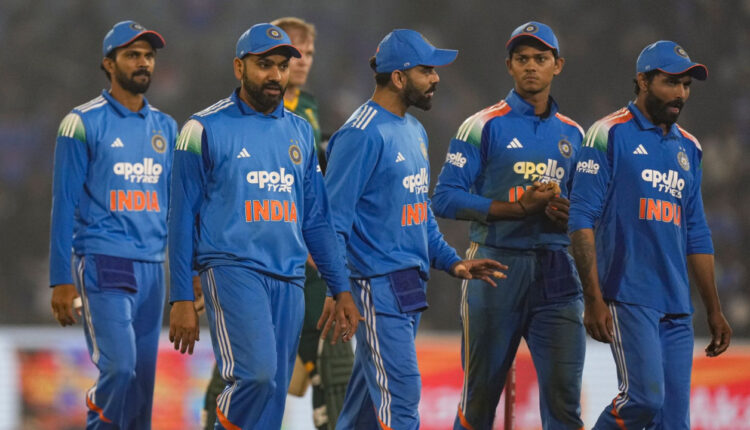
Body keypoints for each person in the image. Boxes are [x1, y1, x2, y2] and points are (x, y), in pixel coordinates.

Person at [166, 23, 362, 430]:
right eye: (264, 65)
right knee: (255, 376)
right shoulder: (201, 129)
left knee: (273, 395)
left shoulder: (300, 131)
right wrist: (180, 295)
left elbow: (316, 220)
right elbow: (181, 218)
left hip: (289, 278)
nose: (275, 74)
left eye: (282, 66)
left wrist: (340, 287)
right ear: (239, 67)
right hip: (232, 270)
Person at [323, 29, 507, 430]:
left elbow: (418, 212)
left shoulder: (414, 130)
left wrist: (452, 262)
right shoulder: (360, 134)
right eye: (427, 70)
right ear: (398, 77)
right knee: (403, 398)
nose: (436, 78)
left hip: (409, 288)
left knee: (364, 414)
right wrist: (337, 291)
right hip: (375, 286)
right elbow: (332, 223)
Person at [568, 40, 732, 429]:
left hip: (676, 304)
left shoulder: (689, 148)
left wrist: (713, 309)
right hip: (628, 294)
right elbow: (580, 218)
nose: (681, 94)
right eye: (671, 83)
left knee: (674, 423)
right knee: (643, 398)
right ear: (643, 81)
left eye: (686, 85)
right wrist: (593, 298)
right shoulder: (608, 134)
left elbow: (696, 231)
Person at [432, 21, 586, 430]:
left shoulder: (575, 134)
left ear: (558, 65)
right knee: (479, 401)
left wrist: (570, 214)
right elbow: (444, 197)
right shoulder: (482, 125)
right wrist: (517, 208)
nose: (531, 66)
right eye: (522, 59)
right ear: (509, 66)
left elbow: (590, 209)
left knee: (566, 405)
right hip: (495, 267)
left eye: (541, 58)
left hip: (557, 270)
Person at [48, 20, 177, 429]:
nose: (143, 63)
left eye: (148, 56)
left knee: (141, 389)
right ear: (109, 63)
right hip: (105, 259)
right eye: (132, 55)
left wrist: (187, 275)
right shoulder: (82, 122)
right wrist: (60, 278)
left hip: (153, 266)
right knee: (119, 368)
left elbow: (174, 208)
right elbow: (63, 203)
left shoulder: (167, 127)